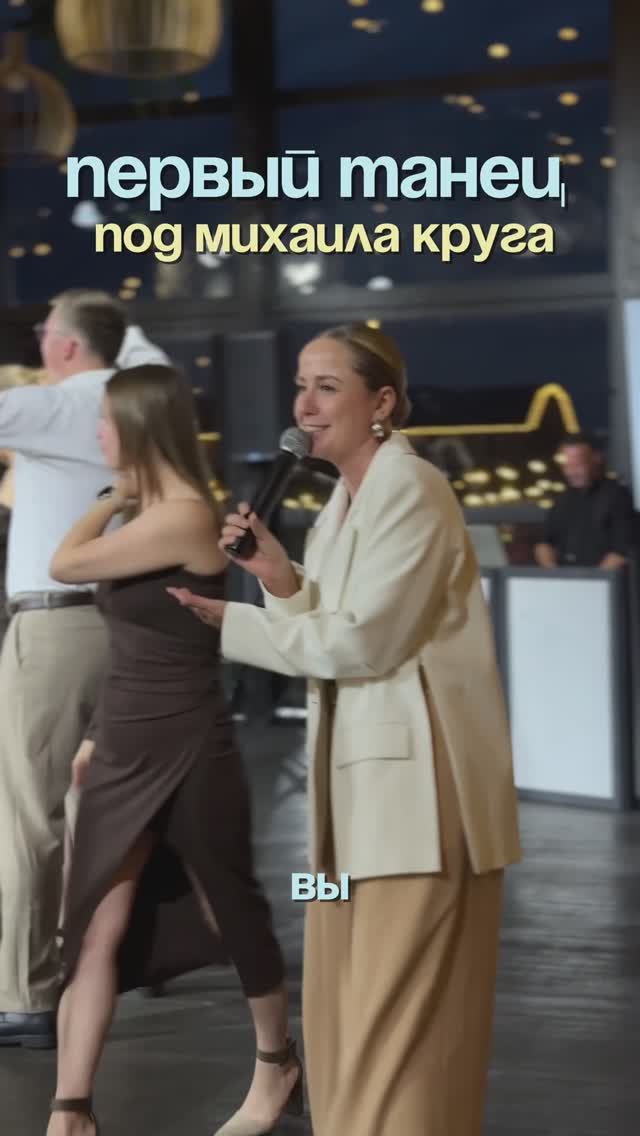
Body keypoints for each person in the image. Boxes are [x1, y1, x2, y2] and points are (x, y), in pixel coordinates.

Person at [169, 323, 522, 1136]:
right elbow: (334, 620)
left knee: (398, 1028)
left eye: (327, 387)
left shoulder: (412, 488)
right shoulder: (341, 503)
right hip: (348, 817)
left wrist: (234, 624)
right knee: (340, 1014)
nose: (305, 405)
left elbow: (364, 642)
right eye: (302, 385)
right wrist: (280, 580)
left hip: (414, 811)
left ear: (383, 403)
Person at [46, 365, 300, 1136]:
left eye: (106, 420)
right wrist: (97, 733)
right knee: (94, 925)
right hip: (124, 740)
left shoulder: (185, 515)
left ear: (141, 426)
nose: (98, 432)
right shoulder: (152, 514)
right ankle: (71, 1110)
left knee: (231, 907)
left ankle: (276, 1062)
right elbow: (132, 640)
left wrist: (108, 499)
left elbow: (63, 564)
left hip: (187, 738)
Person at [0, 293, 127, 1050]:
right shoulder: (139, 400)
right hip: (126, 621)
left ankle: (24, 994)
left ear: (67, 346)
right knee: (103, 804)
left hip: (53, 626)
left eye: (46, 333)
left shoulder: (56, 406)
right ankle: (106, 961)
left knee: (27, 810)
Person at [534, 433, 636, 568]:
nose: (571, 472)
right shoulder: (563, 499)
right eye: (567, 466)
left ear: (596, 459)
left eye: (578, 465)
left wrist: (594, 578)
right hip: (565, 577)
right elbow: (544, 543)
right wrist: (553, 572)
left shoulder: (618, 496)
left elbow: (622, 550)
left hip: (604, 578)